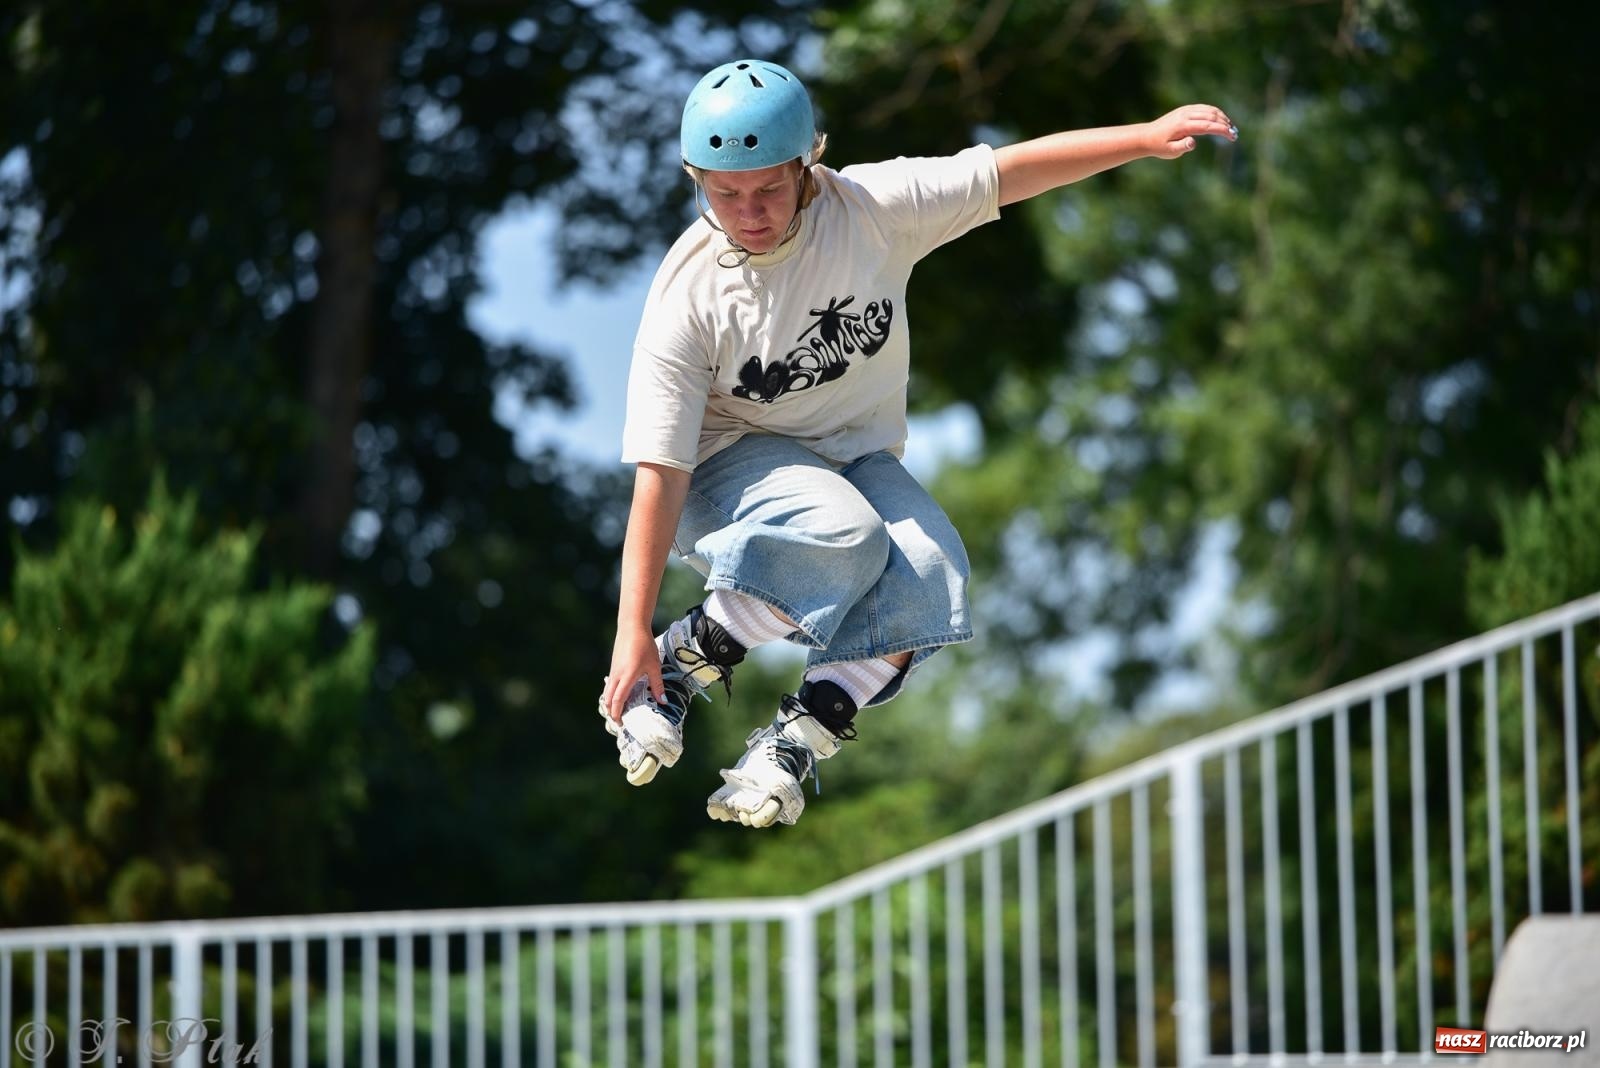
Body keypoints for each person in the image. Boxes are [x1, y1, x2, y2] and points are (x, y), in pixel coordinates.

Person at [599, 58, 1236, 828]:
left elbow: (1009, 172)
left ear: (810, 165)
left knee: (933, 575)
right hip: (726, 469)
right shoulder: (688, 298)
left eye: (769, 188)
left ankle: (797, 738)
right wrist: (631, 629)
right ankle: (679, 657)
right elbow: (660, 471)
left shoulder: (873, 208)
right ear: (696, 178)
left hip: (853, 457)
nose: (749, 212)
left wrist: (1144, 137)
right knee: (845, 533)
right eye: (723, 192)